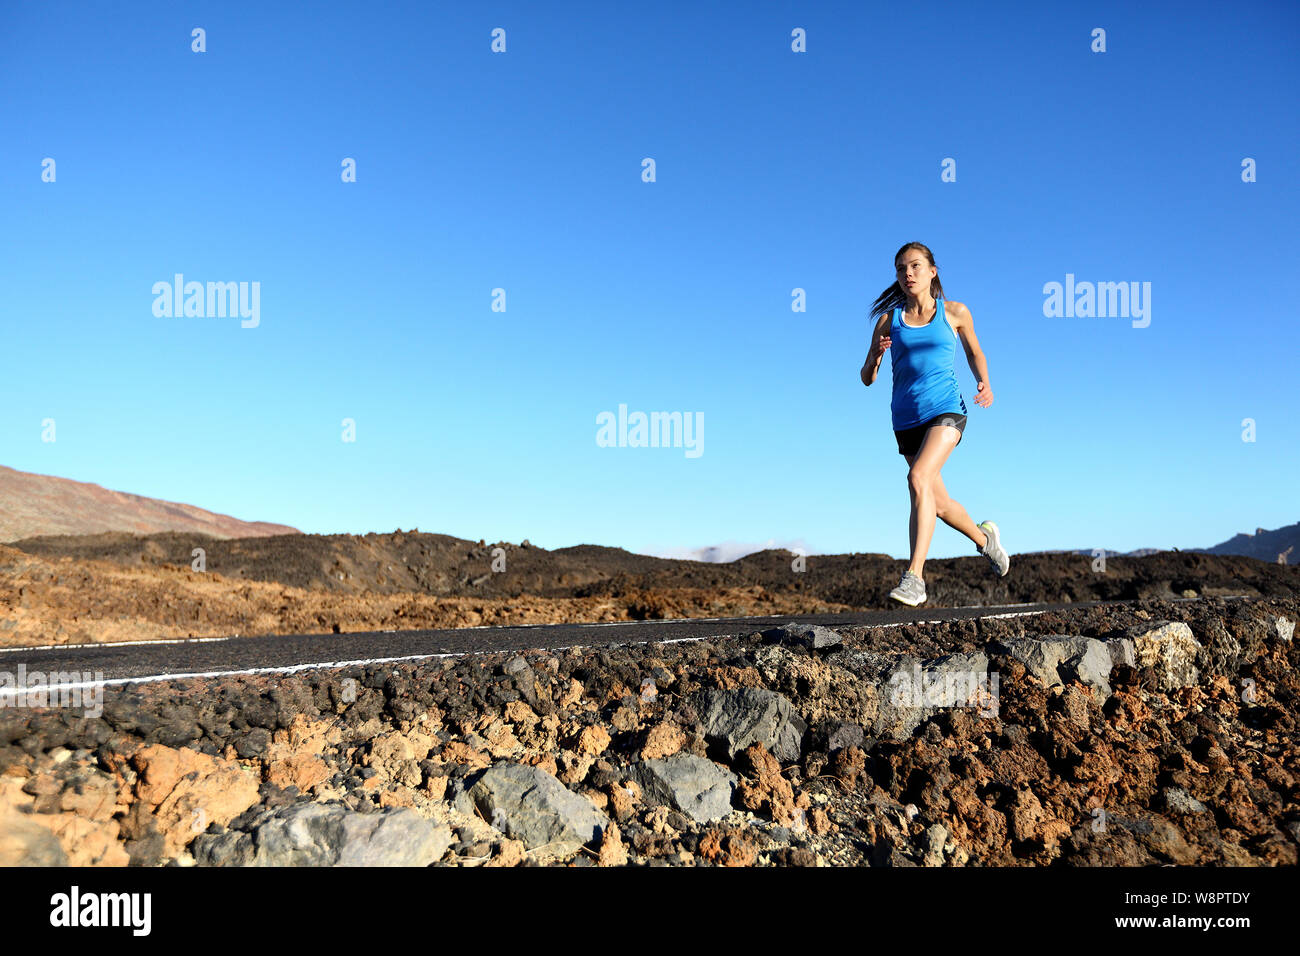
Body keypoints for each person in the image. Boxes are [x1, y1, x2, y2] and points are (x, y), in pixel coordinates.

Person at [859, 242, 1009, 606]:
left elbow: (975, 351)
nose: (907, 273)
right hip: (906, 420)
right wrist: (877, 357)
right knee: (938, 504)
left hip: (946, 410)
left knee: (918, 479)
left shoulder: (954, 312)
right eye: (900, 269)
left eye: (914, 266)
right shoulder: (888, 321)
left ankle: (914, 578)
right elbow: (866, 377)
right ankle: (985, 539)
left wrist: (984, 381)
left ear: (932, 271)